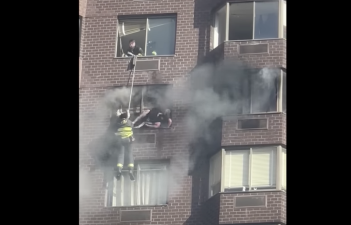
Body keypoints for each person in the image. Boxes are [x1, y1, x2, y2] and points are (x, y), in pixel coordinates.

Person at [114, 109, 135, 181]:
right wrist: (128, 113)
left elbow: (115, 128)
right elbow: (131, 123)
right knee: (130, 154)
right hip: (128, 140)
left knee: (121, 155)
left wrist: (118, 115)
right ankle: (130, 170)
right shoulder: (129, 122)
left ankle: (119, 170)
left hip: (120, 140)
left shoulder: (117, 123)